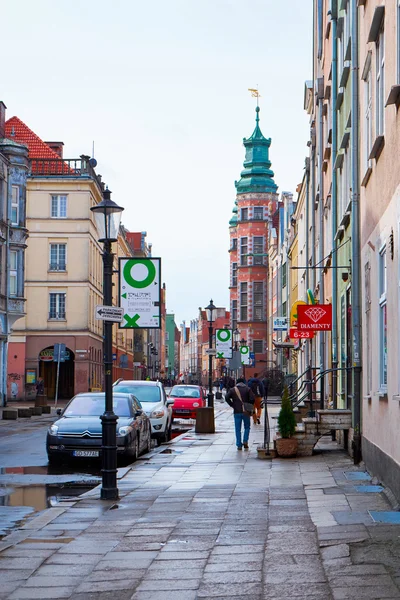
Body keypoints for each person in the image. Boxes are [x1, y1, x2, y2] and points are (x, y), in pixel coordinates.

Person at [225, 377, 255, 450]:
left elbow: (226, 397)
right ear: (244, 382)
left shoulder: (232, 390)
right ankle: (245, 441)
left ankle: (239, 444)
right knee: (247, 427)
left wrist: (232, 405)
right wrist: (248, 405)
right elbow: (252, 399)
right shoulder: (248, 389)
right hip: (246, 411)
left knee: (237, 428)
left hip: (237, 411)